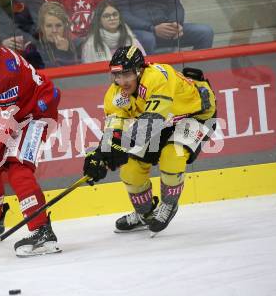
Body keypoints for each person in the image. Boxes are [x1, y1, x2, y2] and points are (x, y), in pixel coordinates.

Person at [83, 46, 216, 235]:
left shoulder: (157, 77)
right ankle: (144, 214)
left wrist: (116, 149)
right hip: (164, 121)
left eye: (126, 74)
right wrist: (101, 154)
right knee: (129, 167)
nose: (121, 81)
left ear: (140, 70)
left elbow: (151, 122)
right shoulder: (115, 94)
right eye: (116, 75)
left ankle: (169, 205)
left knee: (172, 155)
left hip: (196, 114)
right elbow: (115, 128)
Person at [0, 15, 62, 257]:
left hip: (36, 112)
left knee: (18, 169)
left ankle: (42, 231)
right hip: (13, 114)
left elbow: (9, 122)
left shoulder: (7, 69)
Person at [106, 0, 214, 54]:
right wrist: (152, 28)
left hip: (166, 27)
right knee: (148, 39)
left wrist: (175, 23)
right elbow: (123, 14)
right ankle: (150, 78)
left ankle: (195, 75)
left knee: (205, 32)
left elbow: (176, 5)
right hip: (140, 30)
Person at [81, 0, 146, 63]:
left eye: (115, 14)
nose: (112, 18)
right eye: (106, 16)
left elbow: (144, 64)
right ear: (99, 21)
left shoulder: (132, 41)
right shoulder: (90, 45)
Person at [30, 1, 79, 68]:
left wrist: (66, 52)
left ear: (65, 26)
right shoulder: (33, 50)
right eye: (49, 26)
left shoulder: (77, 45)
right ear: (42, 27)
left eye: (58, 25)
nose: (54, 30)